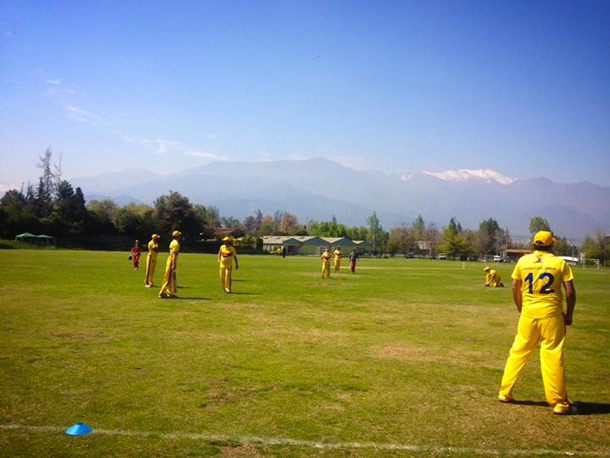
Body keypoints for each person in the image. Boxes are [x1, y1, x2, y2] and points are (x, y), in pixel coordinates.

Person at [498, 231, 577, 415]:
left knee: (518, 353)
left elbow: (514, 287)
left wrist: (521, 308)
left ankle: (504, 392)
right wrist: (569, 315)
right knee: (552, 356)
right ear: (551, 245)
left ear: (534, 244)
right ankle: (558, 403)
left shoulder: (523, 262)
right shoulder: (559, 263)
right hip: (551, 316)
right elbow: (570, 292)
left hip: (528, 315)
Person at [159, 230, 181, 298]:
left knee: (170, 278)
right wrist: (173, 264)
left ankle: (169, 292)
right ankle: (162, 292)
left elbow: (169, 252)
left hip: (169, 260)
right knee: (168, 278)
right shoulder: (176, 244)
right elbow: (174, 254)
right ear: (178, 236)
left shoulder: (172, 242)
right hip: (171, 261)